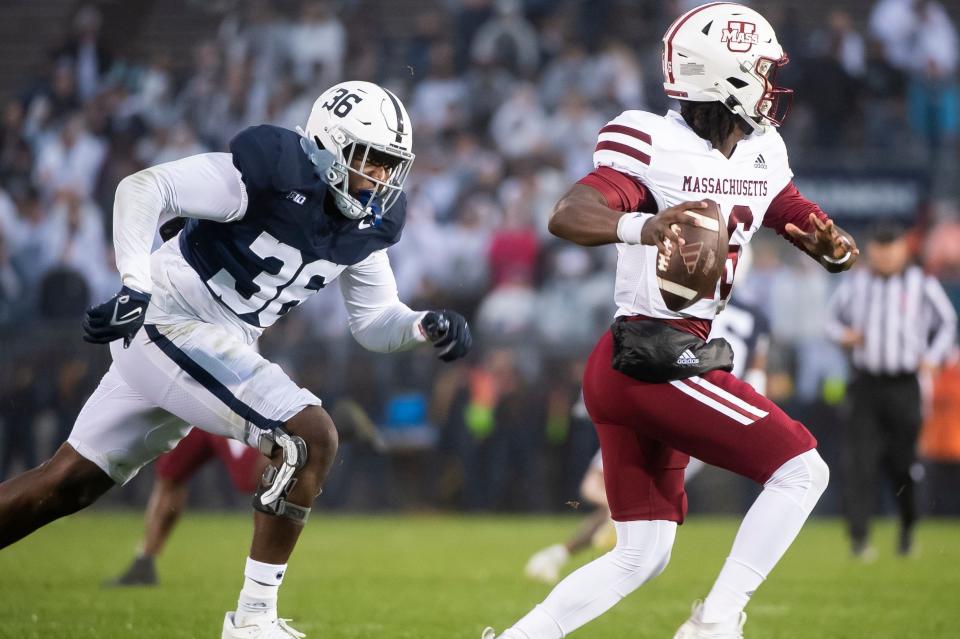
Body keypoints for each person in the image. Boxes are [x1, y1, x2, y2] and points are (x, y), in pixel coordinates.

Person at [0, 80, 472, 639]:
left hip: (216, 339)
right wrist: (134, 283)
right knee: (309, 435)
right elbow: (144, 188)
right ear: (325, 143)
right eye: (366, 158)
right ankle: (252, 621)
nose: (378, 178)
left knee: (66, 484)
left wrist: (420, 326)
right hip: (172, 317)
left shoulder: (368, 220)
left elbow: (373, 321)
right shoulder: (271, 168)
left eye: (389, 165)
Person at [482, 4, 857, 638]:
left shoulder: (764, 151)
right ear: (727, 77)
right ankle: (715, 621)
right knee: (803, 470)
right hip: (653, 354)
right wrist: (643, 224)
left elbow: (797, 214)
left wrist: (831, 246)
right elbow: (570, 211)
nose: (771, 84)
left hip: (640, 362)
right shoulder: (654, 141)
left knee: (640, 554)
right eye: (761, 70)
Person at [524, 289, 771, 585]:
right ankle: (567, 550)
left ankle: (610, 531)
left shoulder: (693, 301)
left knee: (604, 491)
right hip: (710, 411)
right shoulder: (756, 318)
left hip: (661, 399)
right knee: (633, 507)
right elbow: (755, 376)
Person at [826, 221, 957, 559]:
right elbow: (830, 320)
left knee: (904, 463)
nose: (884, 257)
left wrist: (932, 357)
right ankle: (859, 538)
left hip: (904, 384)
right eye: (880, 250)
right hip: (865, 382)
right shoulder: (856, 283)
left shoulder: (921, 283)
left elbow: (947, 322)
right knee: (859, 462)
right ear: (871, 251)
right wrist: (844, 336)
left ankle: (908, 529)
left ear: (903, 250)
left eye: (891, 248)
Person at [105, 428, 266, 587]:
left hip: (228, 412)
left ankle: (268, 571)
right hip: (195, 414)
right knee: (170, 475)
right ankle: (144, 563)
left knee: (251, 477)